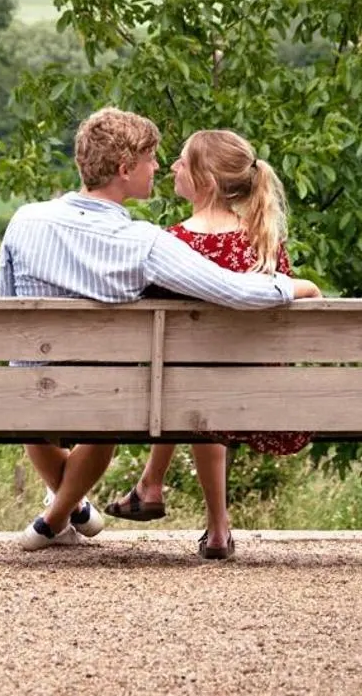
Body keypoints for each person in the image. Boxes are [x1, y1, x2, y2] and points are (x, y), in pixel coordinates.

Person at [0, 108, 321, 551]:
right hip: (105, 403)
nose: (159, 166)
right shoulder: (145, 243)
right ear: (126, 169)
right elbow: (236, 292)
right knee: (107, 407)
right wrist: (296, 286)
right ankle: (58, 516)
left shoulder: (25, 220)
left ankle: (62, 513)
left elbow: (4, 310)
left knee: (39, 388)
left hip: (29, 392)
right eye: (151, 158)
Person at [101, 129, 311, 559]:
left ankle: (166, 495)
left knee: (190, 376)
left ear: (206, 182)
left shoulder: (171, 243)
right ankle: (202, 518)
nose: (173, 167)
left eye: (181, 161)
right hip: (260, 388)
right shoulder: (264, 242)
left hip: (188, 393)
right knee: (203, 375)